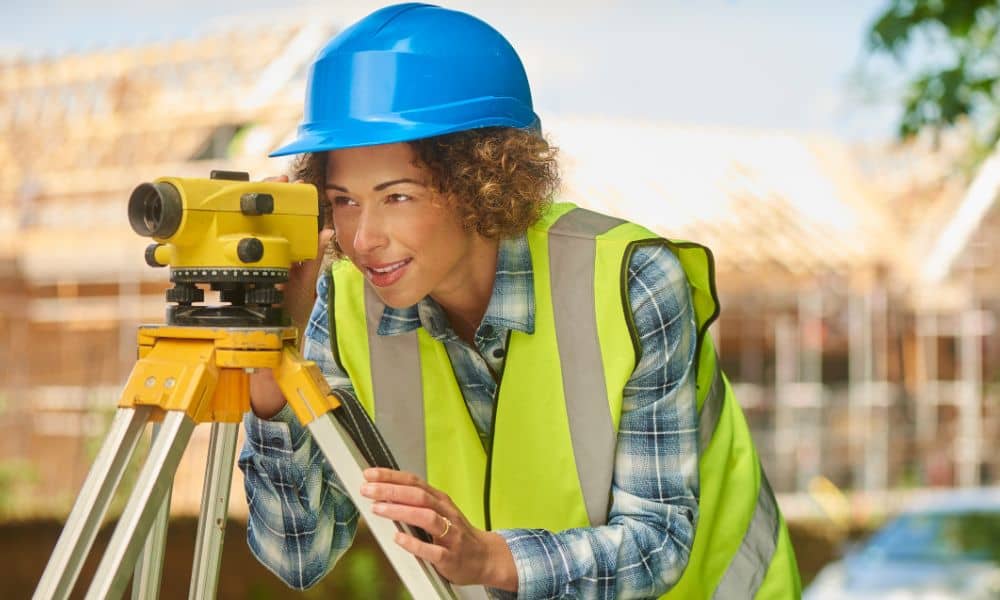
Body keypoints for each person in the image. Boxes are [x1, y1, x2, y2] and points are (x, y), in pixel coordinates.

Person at [238, 3, 801, 598]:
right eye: (344, 200)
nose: (362, 237)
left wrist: (490, 559)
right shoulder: (345, 303)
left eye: (397, 196)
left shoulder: (630, 281)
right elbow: (299, 555)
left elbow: (658, 541)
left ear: (483, 177)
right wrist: (276, 357)